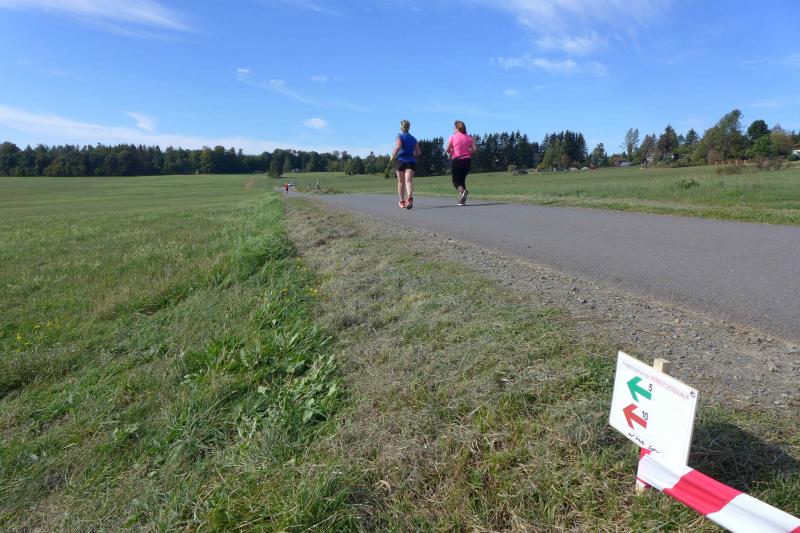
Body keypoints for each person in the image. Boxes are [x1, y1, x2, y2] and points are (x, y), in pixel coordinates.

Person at [390, 119, 421, 209]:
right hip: (411, 161)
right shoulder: (413, 139)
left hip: (401, 161)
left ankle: (402, 202)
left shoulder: (399, 136)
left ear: (401, 127)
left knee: (401, 182)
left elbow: (398, 146)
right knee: (408, 181)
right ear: (409, 127)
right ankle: (410, 196)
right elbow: (418, 152)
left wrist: (392, 156)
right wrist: (411, 153)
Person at [446, 120, 477, 205]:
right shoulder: (469, 137)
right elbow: (475, 149)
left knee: (456, 181)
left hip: (457, 160)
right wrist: (468, 152)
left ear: (457, 128)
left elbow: (447, 149)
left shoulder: (453, 137)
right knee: (462, 180)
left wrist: (453, 151)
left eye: (454, 128)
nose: (453, 129)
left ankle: (463, 192)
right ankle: (462, 200)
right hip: (467, 161)